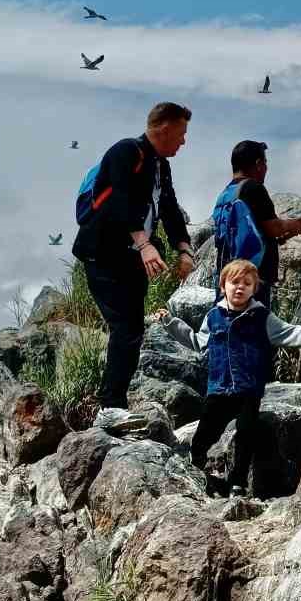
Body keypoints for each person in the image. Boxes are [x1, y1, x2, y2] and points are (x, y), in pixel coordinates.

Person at [155, 258, 301, 497]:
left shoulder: (261, 316)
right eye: (234, 282)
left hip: (248, 389)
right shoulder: (213, 317)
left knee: (246, 433)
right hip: (218, 388)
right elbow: (196, 341)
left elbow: (290, 333)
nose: (240, 287)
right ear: (223, 285)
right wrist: (169, 322)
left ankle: (238, 483)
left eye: (247, 283)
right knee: (205, 433)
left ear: (254, 289)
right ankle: (195, 468)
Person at [72, 102, 196, 411]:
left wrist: (184, 249)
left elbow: (168, 208)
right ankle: (110, 406)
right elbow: (120, 198)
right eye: (181, 133)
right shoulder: (126, 151)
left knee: (132, 332)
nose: (183, 141)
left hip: (130, 260)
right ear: (164, 129)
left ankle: (115, 401)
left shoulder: (159, 166)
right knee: (126, 329)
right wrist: (144, 244)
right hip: (103, 255)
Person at [211, 140, 301, 309]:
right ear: (258, 164)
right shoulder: (254, 188)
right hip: (252, 278)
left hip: (228, 275)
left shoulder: (225, 195)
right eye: (265, 163)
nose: (266, 168)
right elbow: (273, 227)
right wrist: (293, 224)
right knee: (255, 329)